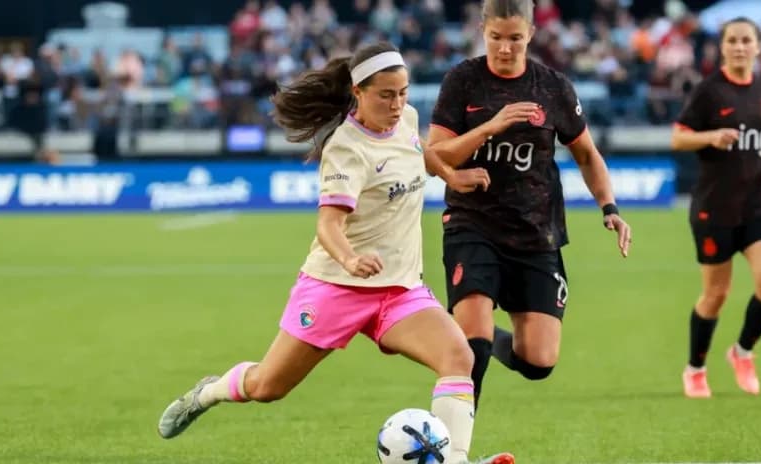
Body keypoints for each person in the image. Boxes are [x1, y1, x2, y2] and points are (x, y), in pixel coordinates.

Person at [156, 42, 513, 464]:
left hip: (398, 288)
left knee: (458, 356)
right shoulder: (346, 149)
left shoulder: (406, 120)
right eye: (386, 94)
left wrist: (453, 175)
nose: (398, 104)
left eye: (403, 92)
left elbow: (419, 152)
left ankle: (455, 461)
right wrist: (349, 259)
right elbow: (328, 224)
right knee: (268, 386)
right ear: (357, 92)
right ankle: (209, 391)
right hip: (337, 286)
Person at [426, 0, 632, 411]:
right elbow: (435, 155)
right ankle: (455, 448)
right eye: (496, 37)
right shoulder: (463, 81)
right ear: (482, 30)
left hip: (537, 232)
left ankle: (483, 334)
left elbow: (587, 154)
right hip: (473, 224)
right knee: (473, 350)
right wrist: (490, 126)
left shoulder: (552, 87)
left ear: (531, 34)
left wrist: (609, 207)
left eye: (515, 38)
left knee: (539, 362)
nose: (505, 47)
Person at [670, 17, 761, 398]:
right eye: (733, 41)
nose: (740, 47)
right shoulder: (708, 92)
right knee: (716, 295)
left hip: (757, 203)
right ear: (722, 47)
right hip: (714, 208)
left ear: (758, 47)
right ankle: (695, 369)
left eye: (746, 41)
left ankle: (742, 352)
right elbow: (678, 138)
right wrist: (711, 136)